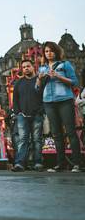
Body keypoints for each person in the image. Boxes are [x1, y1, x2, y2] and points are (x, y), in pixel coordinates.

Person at [37, 41, 80, 173]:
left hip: (64, 99)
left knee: (71, 131)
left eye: (51, 51)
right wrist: (39, 79)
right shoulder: (42, 68)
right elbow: (37, 88)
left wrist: (58, 76)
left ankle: (77, 163)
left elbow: (74, 82)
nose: (49, 53)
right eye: (46, 51)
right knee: (56, 133)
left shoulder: (65, 65)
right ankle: (60, 163)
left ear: (56, 51)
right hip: (48, 101)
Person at [12, 58, 45, 172]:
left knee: (37, 139)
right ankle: (20, 163)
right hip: (22, 115)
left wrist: (41, 110)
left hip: (37, 114)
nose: (26, 68)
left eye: (28, 66)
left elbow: (42, 94)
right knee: (23, 139)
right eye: (24, 67)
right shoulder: (19, 82)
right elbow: (15, 99)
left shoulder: (40, 79)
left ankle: (38, 162)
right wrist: (18, 112)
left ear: (33, 67)